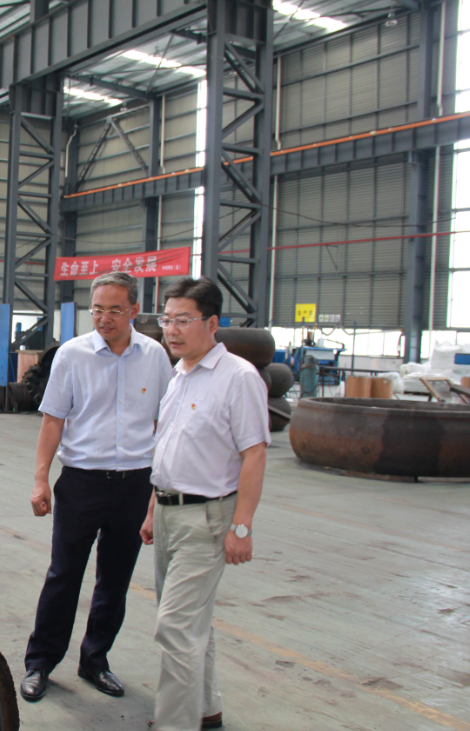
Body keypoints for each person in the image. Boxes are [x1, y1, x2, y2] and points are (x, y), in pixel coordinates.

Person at [20, 271, 173, 703]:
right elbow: (53, 420)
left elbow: (165, 423)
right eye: (98, 310)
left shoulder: (155, 356)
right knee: (64, 574)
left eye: (115, 310)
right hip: (82, 482)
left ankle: (95, 659)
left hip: (135, 483)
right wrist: (41, 479)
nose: (105, 319)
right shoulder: (72, 355)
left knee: (115, 579)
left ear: (134, 310)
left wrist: (158, 488)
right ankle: (40, 662)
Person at [140, 276, 270, 731]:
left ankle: (175, 724)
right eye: (166, 320)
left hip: (208, 519)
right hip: (169, 514)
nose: (171, 330)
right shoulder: (179, 375)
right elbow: (169, 448)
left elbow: (255, 454)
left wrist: (242, 526)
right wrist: (154, 509)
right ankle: (205, 708)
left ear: (212, 323)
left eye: (183, 320)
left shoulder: (238, 378)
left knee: (176, 626)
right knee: (192, 620)